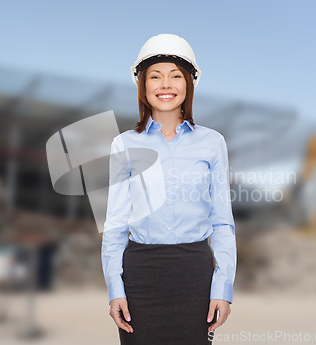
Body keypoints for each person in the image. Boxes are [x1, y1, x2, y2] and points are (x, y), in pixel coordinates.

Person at [101, 33, 237, 345]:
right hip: (140, 273)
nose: (166, 85)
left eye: (176, 76)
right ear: (142, 85)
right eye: (155, 76)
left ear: (189, 84)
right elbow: (115, 224)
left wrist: (222, 288)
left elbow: (222, 223)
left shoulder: (212, 143)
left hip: (194, 272)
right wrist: (115, 289)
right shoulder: (123, 144)